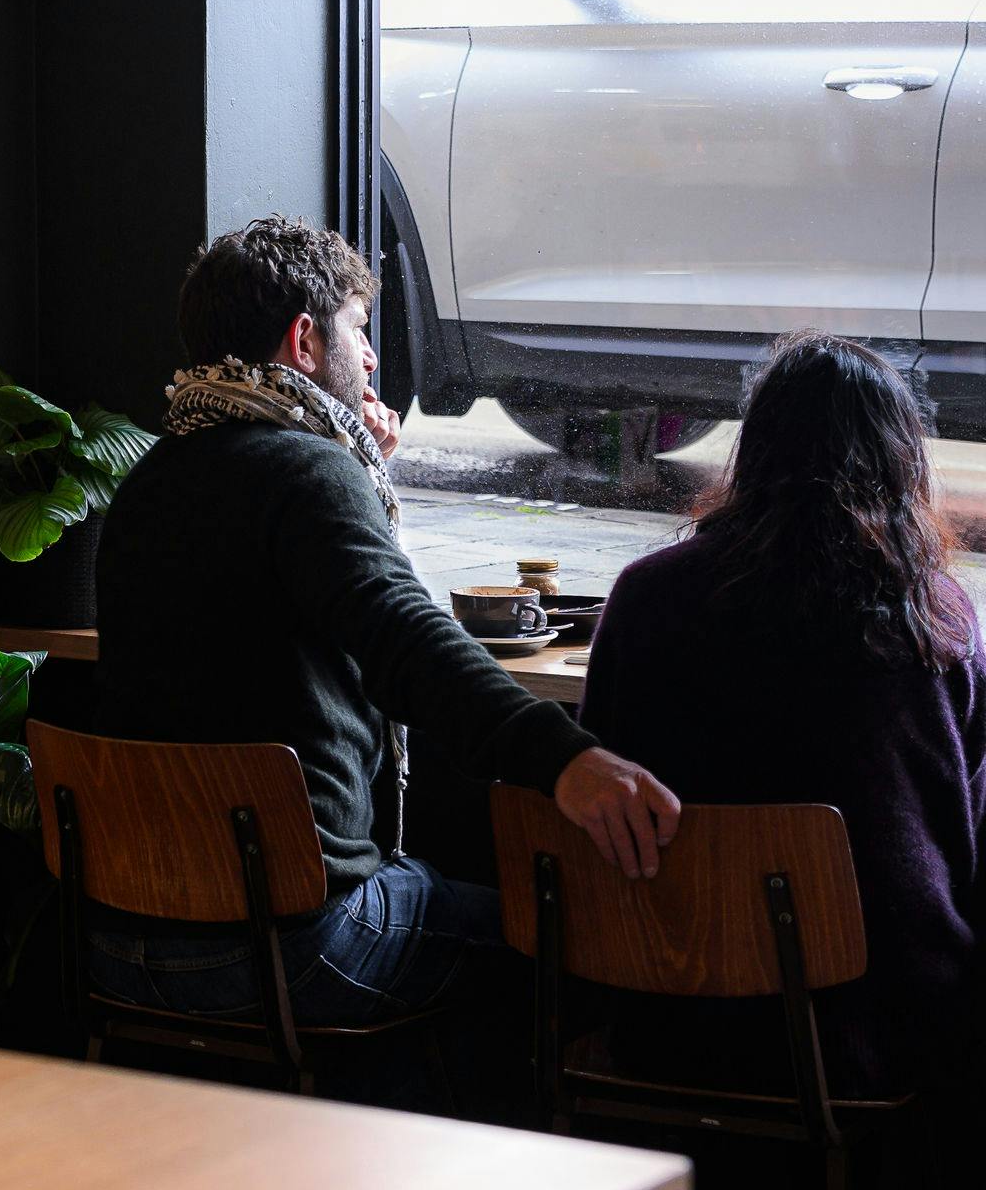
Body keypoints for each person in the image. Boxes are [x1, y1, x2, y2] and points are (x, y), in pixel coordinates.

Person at [88, 215, 677, 1032]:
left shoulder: (149, 481)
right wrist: (564, 760)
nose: (370, 358)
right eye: (358, 330)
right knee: (555, 931)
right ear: (303, 341)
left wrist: (361, 474)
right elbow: (402, 636)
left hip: (120, 939)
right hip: (286, 946)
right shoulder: (307, 473)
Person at [583, 334, 985, 1102]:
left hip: (668, 1013)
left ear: (754, 451)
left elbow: (598, 768)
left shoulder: (646, 596)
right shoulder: (936, 624)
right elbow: (963, 841)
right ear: (903, 461)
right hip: (878, 1030)